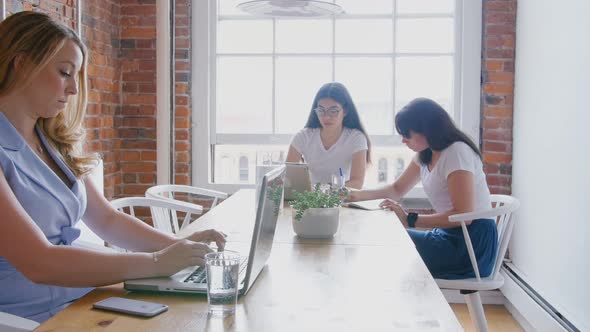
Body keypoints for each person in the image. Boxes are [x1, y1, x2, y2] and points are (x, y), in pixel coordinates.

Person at [0, 11, 226, 322]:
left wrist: (182, 247)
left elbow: (107, 220)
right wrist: (157, 261)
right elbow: (39, 262)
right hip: (33, 318)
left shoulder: (52, 140)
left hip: (86, 297)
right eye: (65, 72)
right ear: (21, 63)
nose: (74, 90)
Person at [348, 98, 497, 279]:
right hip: (450, 237)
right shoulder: (427, 154)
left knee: (387, 244)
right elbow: (396, 189)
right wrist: (355, 195)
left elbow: (464, 216)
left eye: (407, 134)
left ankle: (408, 301)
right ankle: (410, 301)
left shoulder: (457, 152)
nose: (403, 140)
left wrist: (410, 219)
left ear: (427, 130)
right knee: (384, 243)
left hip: (471, 244)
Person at [286, 82, 371, 189]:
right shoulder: (303, 137)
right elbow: (287, 178)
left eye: (333, 111)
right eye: (321, 110)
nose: (326, 117)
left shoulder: (356, 138)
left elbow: (357, 183)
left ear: (345, 111)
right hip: (311, 201)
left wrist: (324, 191)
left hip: (343, 200)